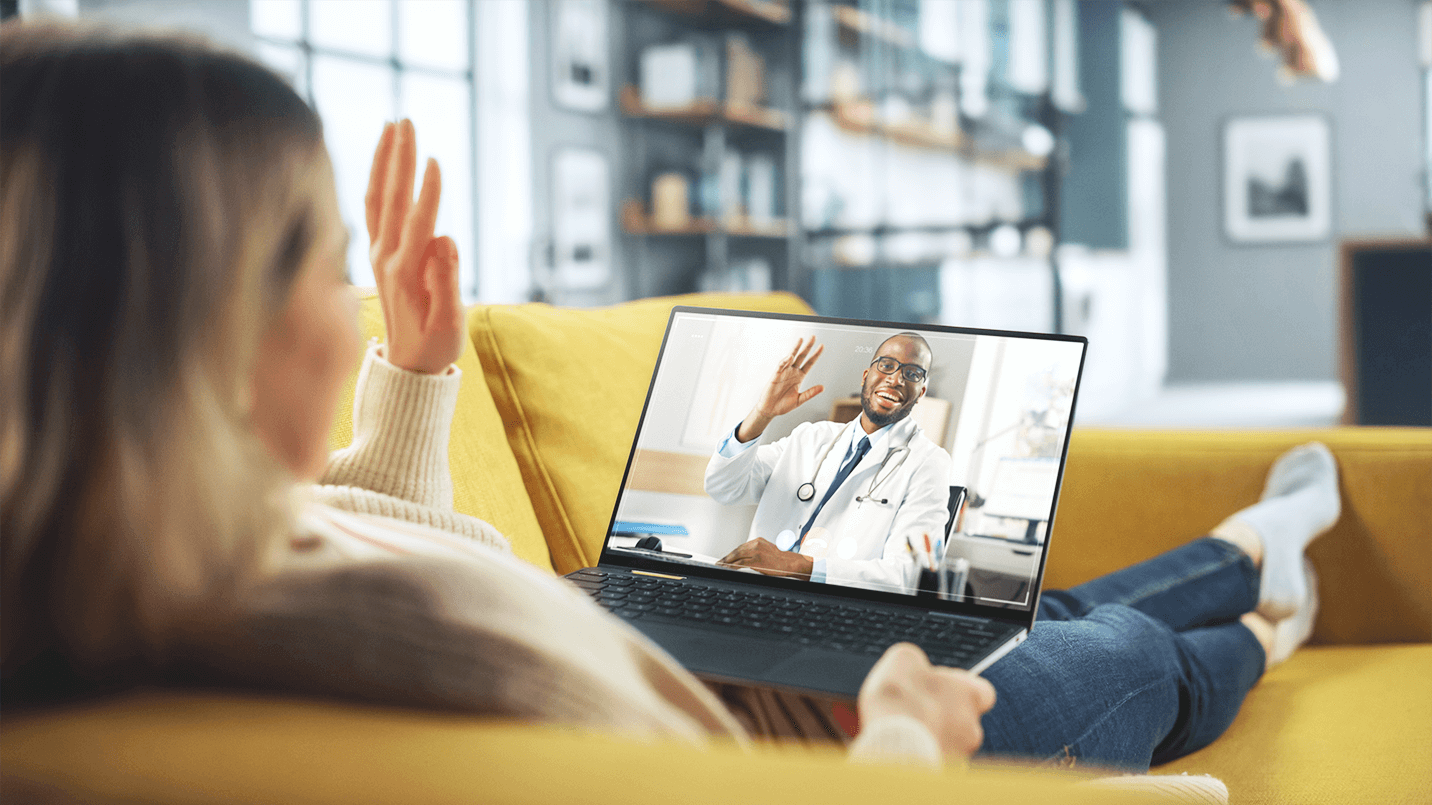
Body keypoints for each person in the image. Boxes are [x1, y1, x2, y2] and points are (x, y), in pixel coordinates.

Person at [0, 22, 1341, 793]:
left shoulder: (166, 543)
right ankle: (1272, 618)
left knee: (1028, 604)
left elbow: (374, 554)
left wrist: (409, 380)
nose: (340, 295)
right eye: (315, 257)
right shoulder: (306, 683)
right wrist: (892, 741)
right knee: (1121, 659)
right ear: (193, 324)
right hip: (796, 731)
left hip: (690, 631)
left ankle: (1234, 550)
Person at [705, 333, 952, 592]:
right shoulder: (811, 437)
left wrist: (797, 565)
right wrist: (762, 414)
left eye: (912, 373)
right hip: (754, 592)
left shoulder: (928, 463)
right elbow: (724, 487)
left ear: (921, 391)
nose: (896, 379)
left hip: (834, 607)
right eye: (887, 365)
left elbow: (908, 575)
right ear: (865, 375)